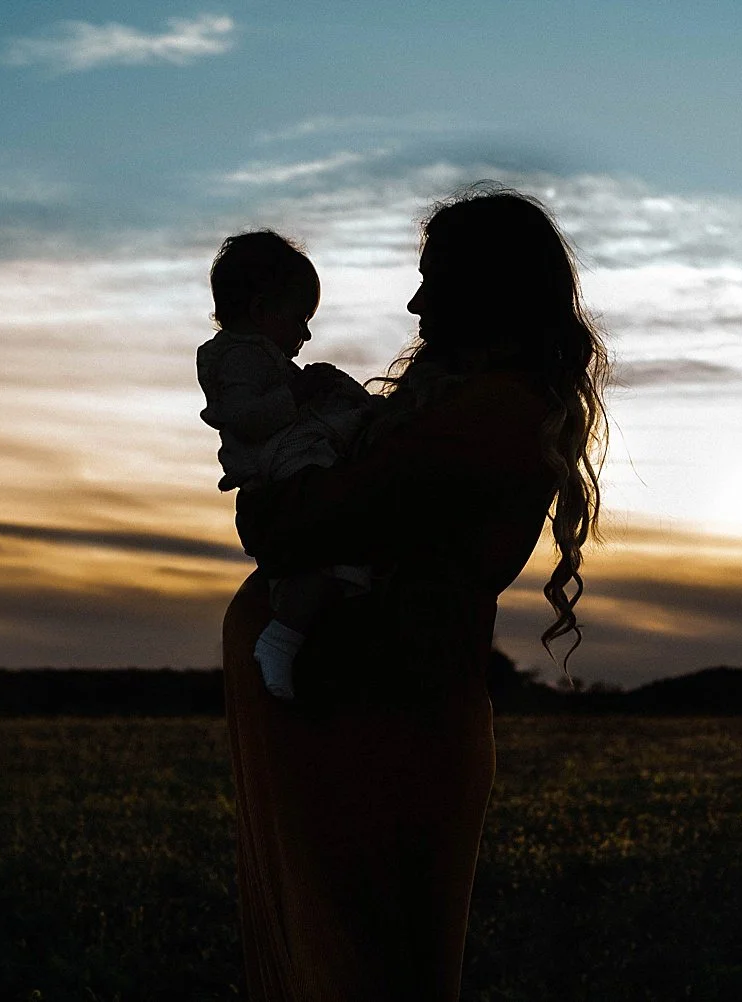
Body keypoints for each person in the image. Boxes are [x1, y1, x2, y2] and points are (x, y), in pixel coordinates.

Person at [222, 184, 609, 1001]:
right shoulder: (461, 406)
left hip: (382, 725)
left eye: (435, 279)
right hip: (355, 714)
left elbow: (294, 525)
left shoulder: (491, 415)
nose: (415, 301)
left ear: (488, 290)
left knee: (370, 970)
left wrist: (266, 490)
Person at [196, 231, 376, 699]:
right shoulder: (236, 361)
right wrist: (298, 394)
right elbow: (242, 418)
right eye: (300, 319)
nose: (307, 334)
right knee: (325, 564)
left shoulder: (259, 359)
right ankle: (281, 639)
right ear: (260, 312)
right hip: (280, 471)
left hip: (292, 462)